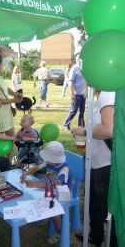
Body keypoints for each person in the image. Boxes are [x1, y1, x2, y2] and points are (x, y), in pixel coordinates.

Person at [72, 91, 116, 247]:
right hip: (97, 161)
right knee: (94, 204)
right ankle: (95, 236)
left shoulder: (107, 94)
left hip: (105, 163)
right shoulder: (102, 95)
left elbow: (108, 130)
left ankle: (100, 238)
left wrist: (84, 131)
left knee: (100, 206)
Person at [21, 141, 71, 245]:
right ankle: (45, 216)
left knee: (54, 209)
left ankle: (59, 231)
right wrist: (25, 174)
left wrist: (37, 184)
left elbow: (57, 183)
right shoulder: (49, 162)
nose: (45, 160)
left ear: (54, 159)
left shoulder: (64, 169)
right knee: (38, 197)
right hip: (50, 187)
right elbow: (36, 168)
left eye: (48, 158)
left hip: (63, 192)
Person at [63, 58, 86, 130]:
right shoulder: (74, 68)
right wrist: (72, 93)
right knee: (73, 111)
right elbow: (70, 82)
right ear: (77, 60)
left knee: (82, 111)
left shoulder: (84, 69)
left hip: (83, 94)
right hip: (76, 94)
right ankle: (66, 124)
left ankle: (81, 126)